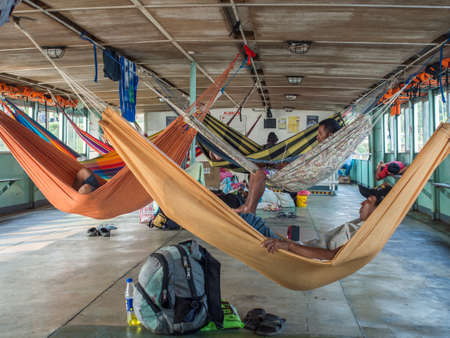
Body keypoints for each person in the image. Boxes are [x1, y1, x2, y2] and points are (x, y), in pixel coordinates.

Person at [242, 183, 392, 260]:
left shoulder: (364, 233)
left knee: (246, 220)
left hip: (296, 257)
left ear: (379, 208)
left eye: (368, 201)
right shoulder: (363, 224)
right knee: (249, 220)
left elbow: (331, 256)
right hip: (297, 250)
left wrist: (289, 246)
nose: (362, 204)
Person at [234, 118, 342, 214]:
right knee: (256, 171)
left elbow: (308, 166)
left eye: (320, 133)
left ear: (330, 135)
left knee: (259, 173)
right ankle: (247, 207)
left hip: (296, 173)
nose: (317, 137)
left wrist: (288, 166)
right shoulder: (322, 149)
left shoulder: (328, 151)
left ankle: (249, 209)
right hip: (293, 167)